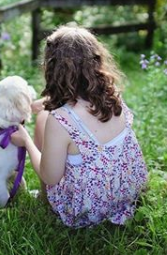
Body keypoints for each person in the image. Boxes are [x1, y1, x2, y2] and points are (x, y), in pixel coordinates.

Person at [11, 25, 148, 228]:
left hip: (87, 209)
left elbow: (51, 176)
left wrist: (27, 142)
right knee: (47, 116)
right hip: (127, 193)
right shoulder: (112, 96)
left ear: (53, 68)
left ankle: (44, 198)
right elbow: (82, 111)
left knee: (42, 118)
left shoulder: (59, 120)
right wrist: (51, 101)